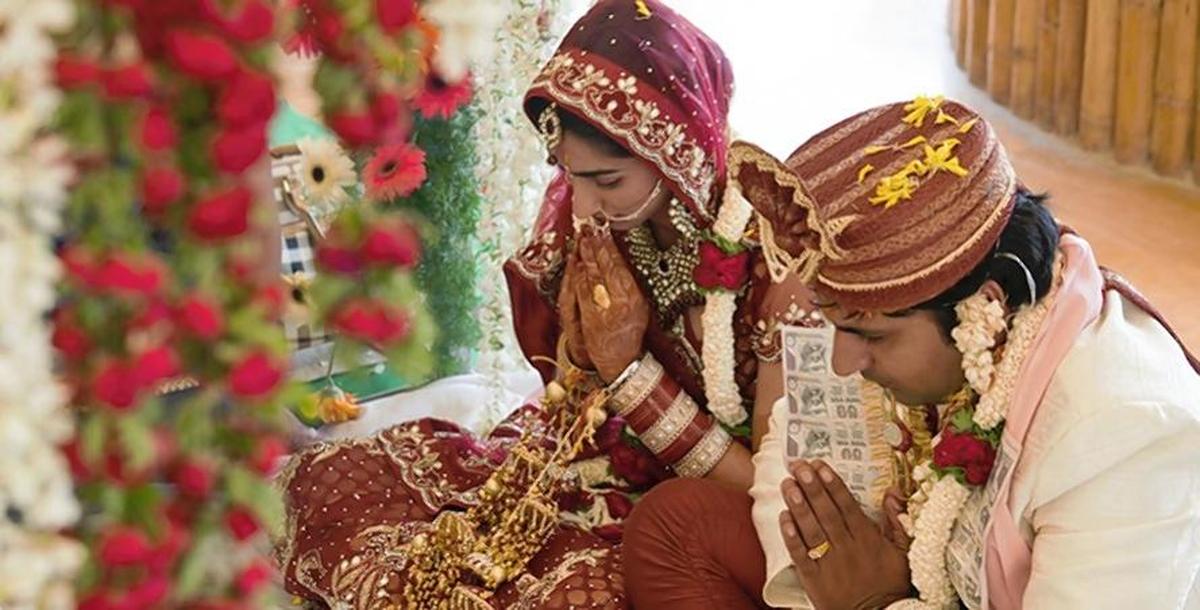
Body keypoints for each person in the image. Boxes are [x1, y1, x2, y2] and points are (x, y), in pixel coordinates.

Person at [274, 1, 832, 607]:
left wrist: (630, 375)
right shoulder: (604, 216)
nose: (583, 206)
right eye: (571, 175)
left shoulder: (780, 269)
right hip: (599, 463)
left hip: (701, 529)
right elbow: (572, 385)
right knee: (332, 482)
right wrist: (584, 348)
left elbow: (771, 493)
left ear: (678, 156)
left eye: (608, 181)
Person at [622, 97, 1200, 609]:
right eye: (838, 327)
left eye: (870, 337)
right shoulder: (970, 316)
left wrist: (876, 601)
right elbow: (798, 443)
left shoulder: (1122, 432)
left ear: (983, 303)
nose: (843, 364)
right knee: (674, 527)